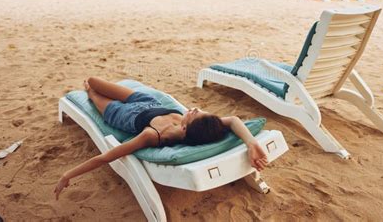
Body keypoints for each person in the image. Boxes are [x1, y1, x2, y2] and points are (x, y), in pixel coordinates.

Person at [54, 77, 268, 199]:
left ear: (185, 128)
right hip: (146, 101)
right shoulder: (199, 127)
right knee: (93, 79)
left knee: (91, 89)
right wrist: (252, 143)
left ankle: (90, 92)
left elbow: (107, 157)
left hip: (121, 114)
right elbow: (232, 120)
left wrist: (68, 174)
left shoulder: (152, 136)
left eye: (194, 113)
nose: (193, 109)